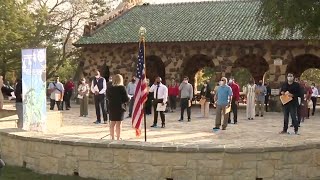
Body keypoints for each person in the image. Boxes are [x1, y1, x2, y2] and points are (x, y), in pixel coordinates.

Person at [107, 74, 129, 140]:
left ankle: (112, 137)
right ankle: (118, 138)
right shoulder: (122, 88)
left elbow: (108, 97)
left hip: (112, 107)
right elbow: (126, 99)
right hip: (120, 107)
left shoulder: (110, 88)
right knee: (119, 123)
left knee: (112, 123)